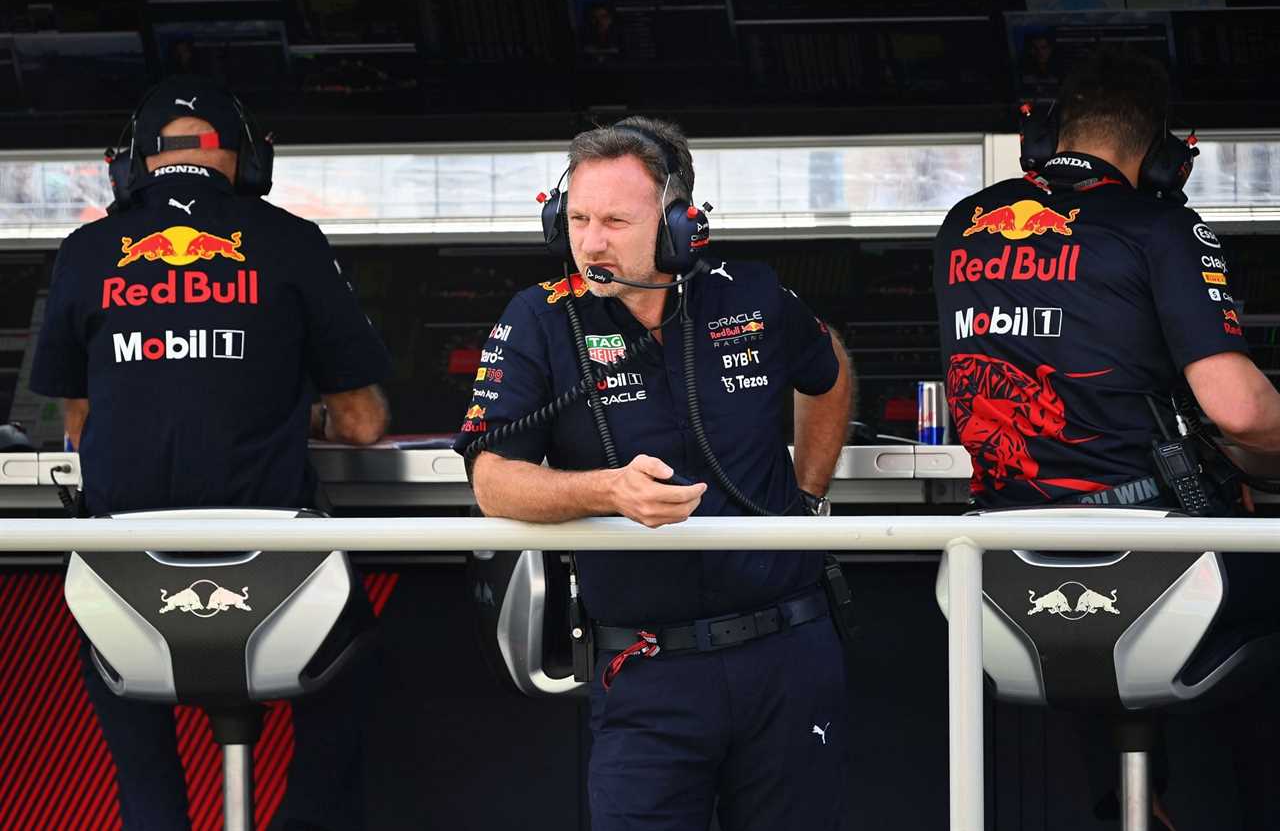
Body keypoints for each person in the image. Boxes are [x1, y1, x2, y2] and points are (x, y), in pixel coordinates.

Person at [456, 116, 854, 831]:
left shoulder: (751, 294)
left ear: (680, 227)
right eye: (576, 217)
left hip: (787, 653)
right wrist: (603, 490)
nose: (590, 241)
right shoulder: (539, 319)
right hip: (644, 669)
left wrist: (811, 495)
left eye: (614, 219)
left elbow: (828, 370)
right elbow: (492, 478)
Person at [29, 75, 391, 831]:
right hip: (276, 581)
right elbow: (363, 425)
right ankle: (307, 818)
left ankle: (153, 814)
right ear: (248, 160)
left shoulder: (85, 250)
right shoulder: (291, 241)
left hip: (127, 586)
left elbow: (78, 421)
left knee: (119, 683)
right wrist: (292, 410)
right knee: (359, 659)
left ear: (133, 161)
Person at [933, 47, 1280, 828]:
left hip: (998, 565)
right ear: (1164, 157)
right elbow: (1241, 412)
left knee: (1112, 660)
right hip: (1145, 550)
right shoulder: (1161, 224)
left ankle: (1128, 804)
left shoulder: (963, 223)